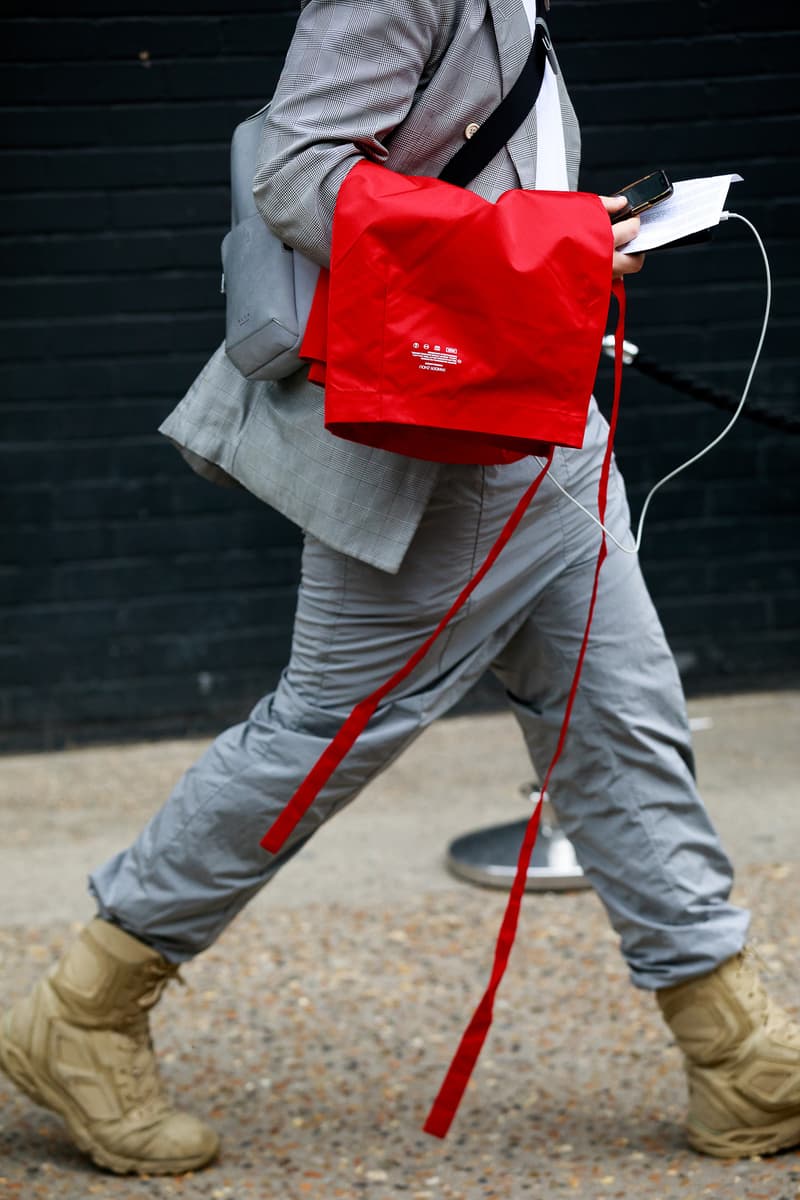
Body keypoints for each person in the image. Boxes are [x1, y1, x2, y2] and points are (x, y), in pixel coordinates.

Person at [2, 0, 798, 1177]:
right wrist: (549, 248)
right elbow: (296, 166)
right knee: (323, 733)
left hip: (540, 420)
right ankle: (83, 1011)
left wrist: (569, 246)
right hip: (449, 446)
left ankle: (734, 1058)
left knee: (619, 723)